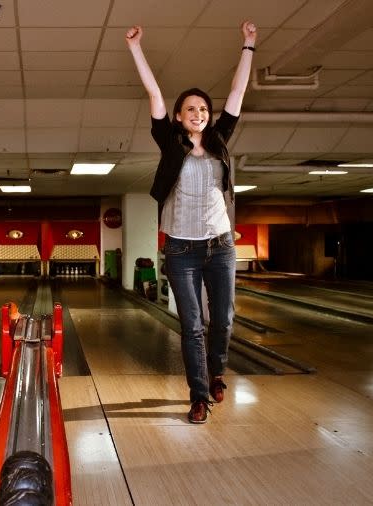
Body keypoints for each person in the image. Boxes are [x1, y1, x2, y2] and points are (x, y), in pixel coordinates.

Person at [126, 21, 257, 424]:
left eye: (203, 108)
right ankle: (199, 395)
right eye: (190, 109)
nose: (198, 114)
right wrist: (136, 48)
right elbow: (153, 92)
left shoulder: (219, 140)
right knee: (193, 325)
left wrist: (248, 46)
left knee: (225, 319)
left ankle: (218, 371)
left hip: (220, 244)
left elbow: (237, 92)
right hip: (181, 247)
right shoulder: (170, 142)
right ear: (179, 117)